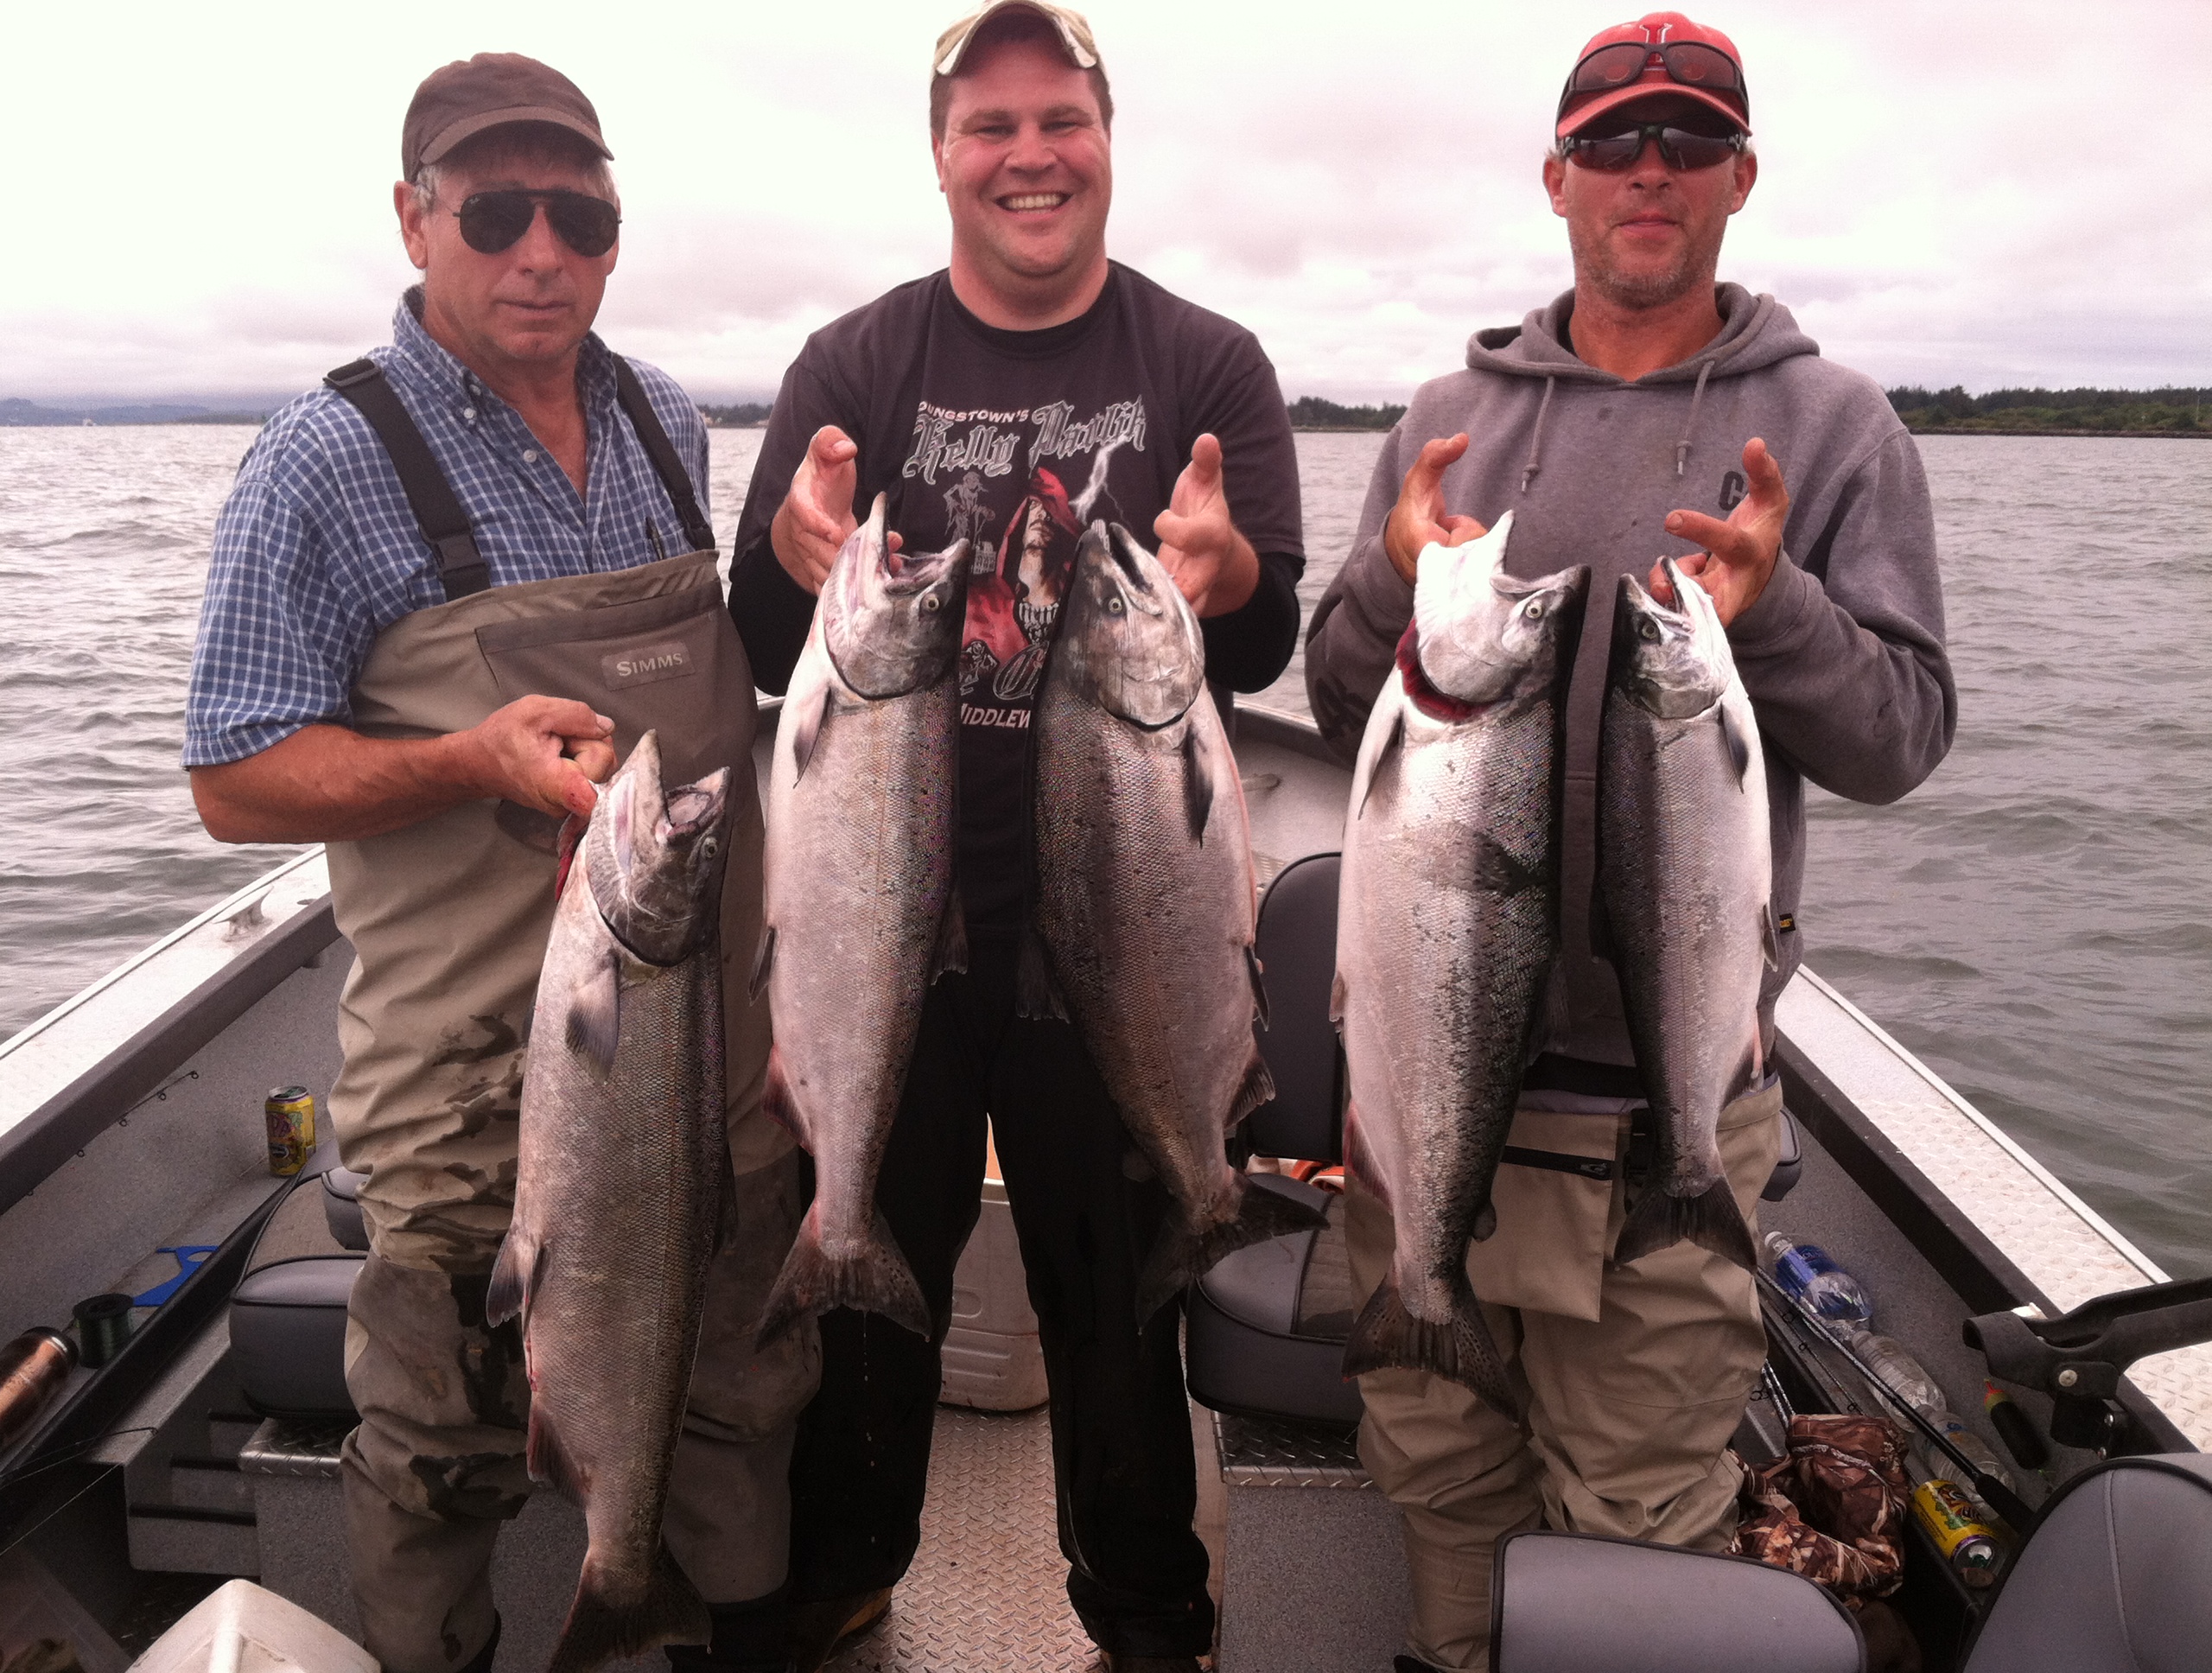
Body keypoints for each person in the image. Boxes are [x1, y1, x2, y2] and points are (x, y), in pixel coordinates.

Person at [1302, 14, 1955, 1671]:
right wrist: (1390, 572)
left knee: (1637, 1515)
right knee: (1441, 1479)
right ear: (1557, 179)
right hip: (1435, 1092)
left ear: (1740, 176)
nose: (1646, 173)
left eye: (1685, 143)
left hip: (1667, 1105)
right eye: (1613, 143)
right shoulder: (1451, 411)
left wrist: (1779, 605)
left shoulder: (1834, 425)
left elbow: (1897, 743)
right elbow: (1330, 698)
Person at [183, 54, 817, 1673]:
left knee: (735, 1403)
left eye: (580, 214)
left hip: (708, 1060)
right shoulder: (319, 462)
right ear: (415, 219)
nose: (541, 248)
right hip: (469, 1089)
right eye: (497, 209)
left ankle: (688, 1629)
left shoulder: (665, 416)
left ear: (616, 234)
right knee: (444, 1458)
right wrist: (467, 761)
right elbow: (233, 781)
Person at [724, 3, 1305, 1667]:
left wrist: (1236, 573)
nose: (1028, 155)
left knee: (1116, 1321)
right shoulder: (855, 364)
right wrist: (784, 547)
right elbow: (772, 649)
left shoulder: (1206, 364)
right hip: (888, 931)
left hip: (1124, 931)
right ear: (941, 155)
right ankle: (842, 1588)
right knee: (863, 1311)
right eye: (991, 125)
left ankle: (1142, 1616)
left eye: (1060, 120)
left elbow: (1258, 653)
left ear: (1107, 139)